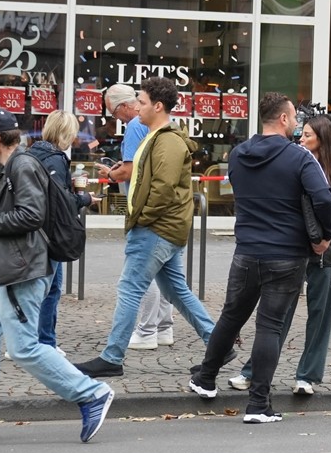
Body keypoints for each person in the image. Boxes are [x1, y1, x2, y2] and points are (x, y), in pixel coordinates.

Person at [188, 92, 331, 424]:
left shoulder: (238, 154)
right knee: (269, 326)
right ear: (283, 119)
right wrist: (324, 237)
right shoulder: (299, 157)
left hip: (246, 251)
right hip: (286, 255)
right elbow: (324, 199)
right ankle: (258, 405)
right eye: (294, 117)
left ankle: (206, 378)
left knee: (230, 317)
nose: (297, 123)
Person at [0, 108, 114, 444]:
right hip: (7, 269)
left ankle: (91, 393)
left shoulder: (22, 165)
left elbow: (31, 216)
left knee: (23, 348)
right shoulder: (16, 165)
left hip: (21, 272)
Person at [73, 77, 218, 378]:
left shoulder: (166, 141)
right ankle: (219, 345)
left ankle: (112, 357)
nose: (136, 106)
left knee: (129, 288)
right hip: (162, 228)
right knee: (177, 290)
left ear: (158, 106)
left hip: (155, 229)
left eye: (141, 101)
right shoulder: (157, 137)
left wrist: (140, 218)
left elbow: (162, 189)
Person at [228, 113, 331, 396]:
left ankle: (307, 377)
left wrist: (320, 237)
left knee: (320, 315)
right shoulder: (293, 164)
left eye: (307, 135)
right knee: (277, 314)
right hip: (291, 248)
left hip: (324, 250)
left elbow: (330, 206)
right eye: (301, 133)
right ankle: (254, 372)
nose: (301, 139)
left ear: (323, 139)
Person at [98, 84, 172, 352]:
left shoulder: (133, 127)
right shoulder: (160, 128)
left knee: (141, 272)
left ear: (123, 106)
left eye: (114, 112)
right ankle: (164, 327)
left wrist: (111, 173)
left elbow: (130, 171)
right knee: (166, 274)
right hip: (162, 209)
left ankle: (146, 330)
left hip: (140, 206)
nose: (115, 118)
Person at [25, 111, 98, 353]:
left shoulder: (34, 153)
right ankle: (40, 342)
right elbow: (61, 202)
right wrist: (84, 198)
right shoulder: (54, 158)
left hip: (36, 229)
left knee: (46, 288)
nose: (75, 139)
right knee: (46, 289)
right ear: (65, 133)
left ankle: (39, 340)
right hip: (50, 232)